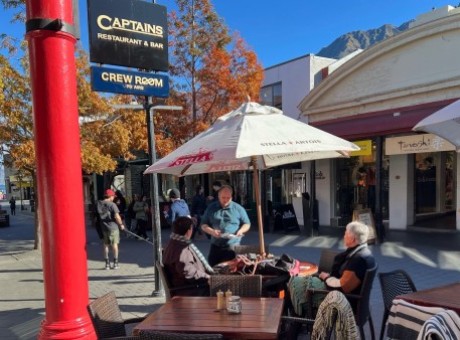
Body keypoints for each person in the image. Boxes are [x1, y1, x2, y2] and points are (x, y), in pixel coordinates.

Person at [288, 221, 375, 316]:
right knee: (302, 282)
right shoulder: (364, 253)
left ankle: (298, 319)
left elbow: (342, 286)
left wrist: (326, 277)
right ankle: (299, 319)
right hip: (349, 298)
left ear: (353, 239)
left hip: (343, 303)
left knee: (296, 284)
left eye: (346, 233)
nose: (344, 236)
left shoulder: (358, 260)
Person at [201, 185, 251, 266]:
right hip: (215, 245)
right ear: (218, 196)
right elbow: (203, 224)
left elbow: (247, 223)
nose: (225, 200)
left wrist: (240, 231)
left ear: (232, 196)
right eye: (223, 197)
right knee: (213, 270)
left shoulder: (238, 208)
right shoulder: (211, 208)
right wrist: (212, 231)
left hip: (232, 246)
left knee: (231, 272)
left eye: (228, 197)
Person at [163, 216, 213, 296]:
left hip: (186, 286)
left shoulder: (173, 242)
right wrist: (208, 277)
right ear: (189, 231)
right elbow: (189, 273)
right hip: (191, 289)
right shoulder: (182, 249)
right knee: (223, 290)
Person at [97, 189, 125, 270]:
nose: (114, 198)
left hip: (103, 226)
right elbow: (117, 216)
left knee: (105, 245)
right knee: (114, 245)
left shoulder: (99, 204)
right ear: (110, 196)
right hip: (113, 227)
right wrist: (121, 225)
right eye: (113, 196)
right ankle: (115, 263)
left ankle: (107, 264)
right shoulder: (112, 205)